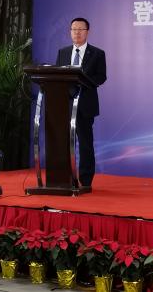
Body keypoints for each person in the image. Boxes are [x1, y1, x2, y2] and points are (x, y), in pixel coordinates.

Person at [55, 17, 106, 190]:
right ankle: (65, 177)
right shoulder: (63, 52)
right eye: (74, 29)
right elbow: (57, 75)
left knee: (85, 144)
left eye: (80, 29)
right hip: (65, 105)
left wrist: (85, 83)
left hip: (85, 105)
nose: (77, 32)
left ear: (87, 32)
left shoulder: (97, 53)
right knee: (63, 144)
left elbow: (101, 76)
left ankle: (86, 180)